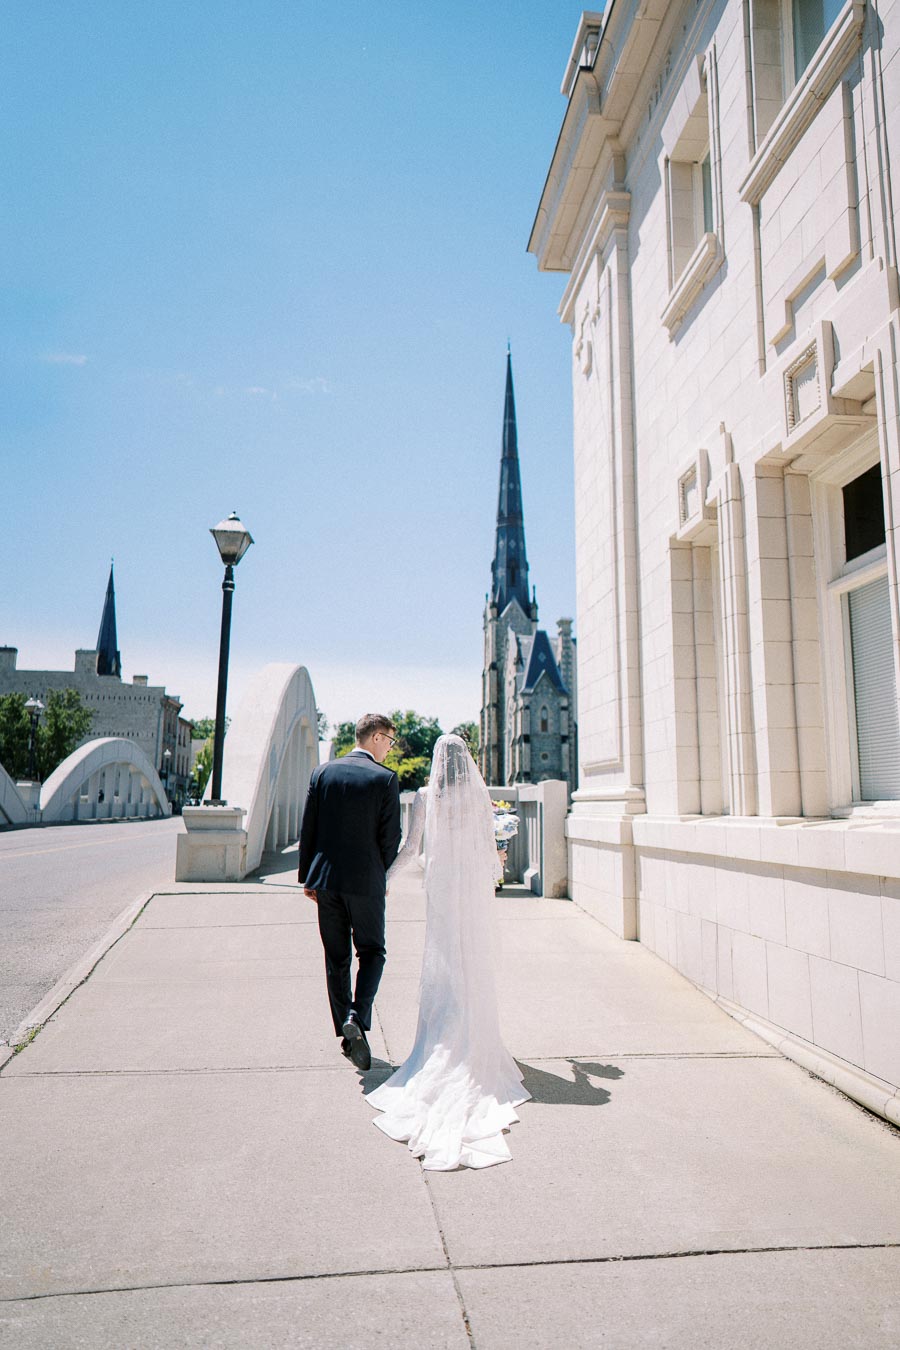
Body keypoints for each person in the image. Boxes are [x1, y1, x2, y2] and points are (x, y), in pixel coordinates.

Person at [366, 733, 530, 1169]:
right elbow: (492, 858)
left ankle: (440, 1037)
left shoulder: (423, 795)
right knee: (469, 959)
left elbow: (412, 848)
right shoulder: (477, 795)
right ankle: (472, 1037)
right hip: (469, 888)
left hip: (439, 887)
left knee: (442, 962)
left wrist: (383, 879)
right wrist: (498, 855)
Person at [298, 713, 402, 1071]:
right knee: (372, 951)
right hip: (365, 881)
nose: (390, 748)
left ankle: (347, 1033)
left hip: (325, 881)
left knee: (336, 957)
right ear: (375, 738)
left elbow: (308, 828)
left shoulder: (322, 773)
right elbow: (391, 839)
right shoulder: (385, 779)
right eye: (389, 740)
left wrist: (308, 877)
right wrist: (379, 875)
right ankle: (356, 1017)